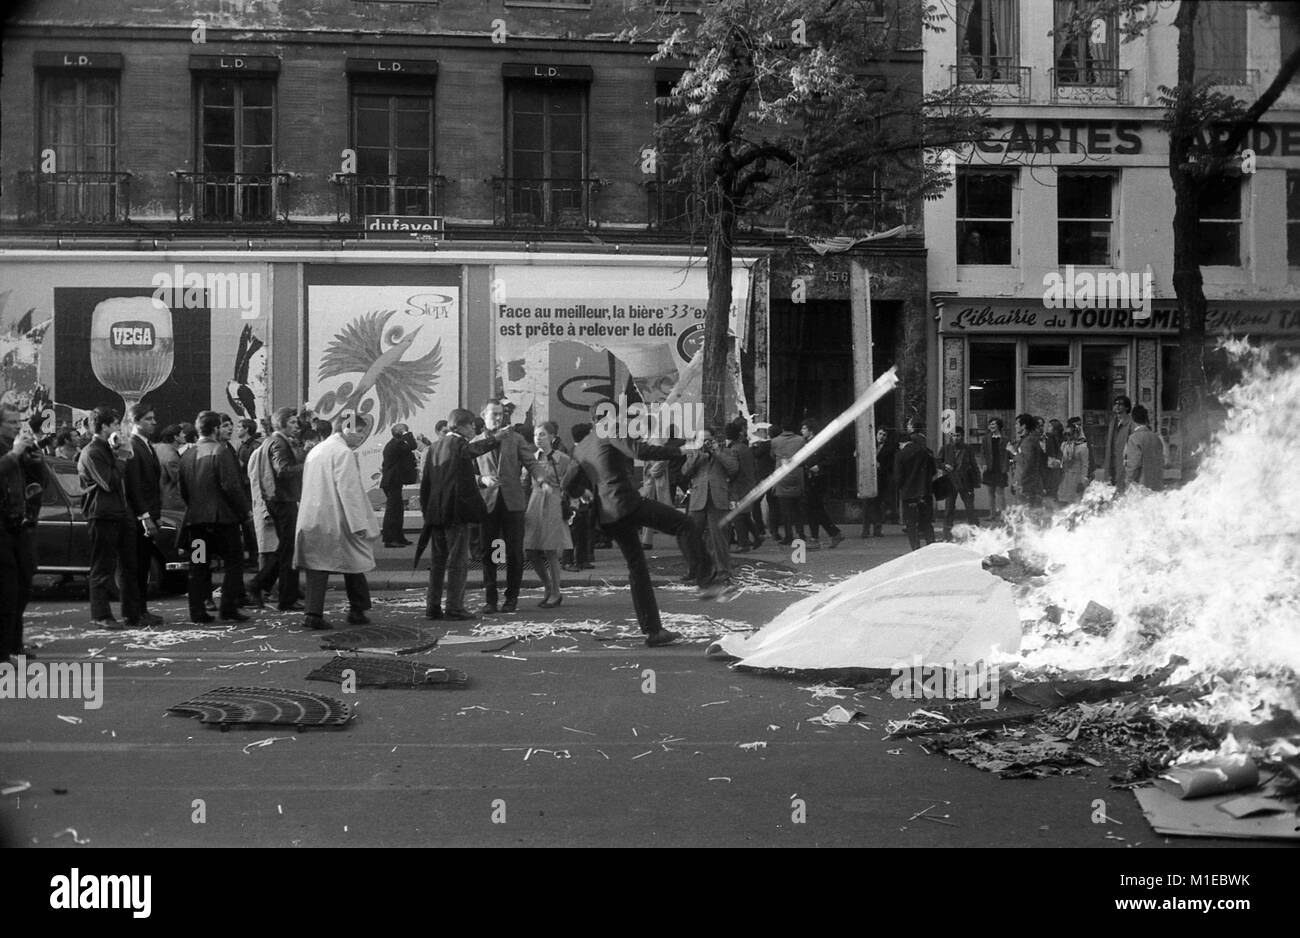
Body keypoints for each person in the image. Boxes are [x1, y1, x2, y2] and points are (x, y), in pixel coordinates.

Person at [561, 398, 714, 646]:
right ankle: (706, 581)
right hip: (626, 504)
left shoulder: (581, 446)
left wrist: (585, 493)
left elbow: (568, 483)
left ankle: (654, 631)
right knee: (684, 524)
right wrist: (683, 450)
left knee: (637, 569)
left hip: (608, 516)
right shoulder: (610, 428)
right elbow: (639, 451)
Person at [295, 413, 381, 630]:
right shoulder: (343, 453)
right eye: (359, 431)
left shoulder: (317, 450)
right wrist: (359, 524)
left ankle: (313, 612)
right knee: (354, 561)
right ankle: (358, 609)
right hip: (337, 518)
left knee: (317, 566)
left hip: (313, 516)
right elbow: (349, 490)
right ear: (348, 429)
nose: (361, 437)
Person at [420, 408, 501, 621]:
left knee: (437, 562)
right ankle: (455, 607)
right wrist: (496, 439)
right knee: (457, 561)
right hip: (455, 513)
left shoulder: (434, 447)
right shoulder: (458, 445)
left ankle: (433, 606)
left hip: (435, 512)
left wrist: (426, 511)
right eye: (472, 426)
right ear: (462, 426)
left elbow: (426, 484)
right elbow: (472, 450)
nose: (474, 429)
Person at [178, 411, 251, 624]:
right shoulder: (221, 451)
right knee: (234, 562)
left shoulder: (187, 455)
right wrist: (244, 512)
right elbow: (231, 486)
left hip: (196, 522)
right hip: (222, 521)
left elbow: (182, 488)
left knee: (198, 564)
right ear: (216, 428)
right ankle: (228, 607)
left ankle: (197, 611)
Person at [78, 406, 141, 629]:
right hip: (102, 514)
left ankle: (133, 613)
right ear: (104, 426)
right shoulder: (93, 452)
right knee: (102, 567)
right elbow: (110, 482)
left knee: (128, 565)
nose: (118, 428)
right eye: (114, 424)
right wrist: (122, 456)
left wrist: (120, 450)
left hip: (118, 512)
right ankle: (101, 614)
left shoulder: (107, 449)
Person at [473, 399, 537, 614]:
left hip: (513, 501)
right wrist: (482, 480)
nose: (498, 418)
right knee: (488, 552)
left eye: (501, 414)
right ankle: (491, 599)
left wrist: (543, 479)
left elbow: (532, 462)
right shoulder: (475, 442)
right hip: (488, 502)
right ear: (483, 415)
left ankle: (512, 598)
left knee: (514, 552)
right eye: (494, 414)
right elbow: (465, 473)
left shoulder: (516, 439)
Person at [0, 404, 46, 662]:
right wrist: (15, 454)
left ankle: (14, 645)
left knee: (22, 587)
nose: (18, 427)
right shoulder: (8, 452)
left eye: (19, 422)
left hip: (20, 526)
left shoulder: (17, 451)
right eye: (11, 422)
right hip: (2, 527)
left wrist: (35, 463)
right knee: (6, 591)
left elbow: (40, 483)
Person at [249, 407, 304, 611]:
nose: (296, 426)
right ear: (281, 424)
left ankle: (261, 584)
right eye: (292, 422)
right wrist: (306, 464)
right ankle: (284, 596)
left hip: (277, 499)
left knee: (285, 548)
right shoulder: (279, 443)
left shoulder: (271, 442)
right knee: (289, 549)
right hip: (283, 499)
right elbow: (283, 470)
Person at [123, 402, 165, 627]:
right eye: (148, 419)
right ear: (135, 421)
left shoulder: (146, 445)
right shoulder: (133, 446)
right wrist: (145, 516)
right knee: (137, 565)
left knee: (143, 564)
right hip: (141, 517)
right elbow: (135, 486)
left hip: (149, 513)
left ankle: (141, 609)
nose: (153, 422)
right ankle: (135, 612)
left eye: (153, 418)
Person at [681, 426, 739, 584]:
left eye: (708, 439)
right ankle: (694, 570)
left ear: (714, 439)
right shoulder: (695, 453)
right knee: (691, 536)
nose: (705, 442)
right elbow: (685, 472)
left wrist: (717, 452)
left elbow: (733, 469)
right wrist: (699, 455)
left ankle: (723, 572)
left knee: (719, 538)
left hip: (718, 498)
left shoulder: (725, 451)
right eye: (702, 439)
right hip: (698, 498)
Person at [524, 421, 573, 608]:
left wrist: (571, 504)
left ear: (552, 437)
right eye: (536, 435)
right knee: (530, 549)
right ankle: (547, 586)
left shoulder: (563, 459)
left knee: (551, 549)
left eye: (543, 434)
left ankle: (556, 592)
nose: (538, 438)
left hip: (554, 503)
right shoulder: (530, 458)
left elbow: (571, 483)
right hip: (534, 503)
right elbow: (525, 483)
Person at [245, 424, 279, 605]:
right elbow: (257, 484)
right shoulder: (259, 454)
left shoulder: (262, 452)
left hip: (268, 509)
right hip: (266, 509)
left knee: (272, 550)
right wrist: (266, 511)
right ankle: (261, 589)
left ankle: (264, 588)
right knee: (267, 551)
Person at [800, 418, 843, 549]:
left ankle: (818, 538)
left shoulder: (820, 443)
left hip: (818, 480)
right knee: (814, 509)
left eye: (804, 428)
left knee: (814, 508)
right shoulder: (806, 443)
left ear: (811, 430)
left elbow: (832, 459)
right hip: (809, 479)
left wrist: (819, 466)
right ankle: (831, 533)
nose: (802, 431)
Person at [895, 418, 936, 551]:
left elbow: (898, 477)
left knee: (911, 524)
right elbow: (933, 470)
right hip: (925, 492)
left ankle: (916, 549)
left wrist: (899, 489)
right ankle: (931, 548)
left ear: (901, 443)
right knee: (927, 522)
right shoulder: (925, 451)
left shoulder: (900, 455)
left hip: (909, 494)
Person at [562, 423, 596, 572]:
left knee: (582, 529)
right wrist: (582, 491)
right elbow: (568, 480)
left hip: (581, 498)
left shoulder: (580, 451)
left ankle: (582, 560)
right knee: (572, 531)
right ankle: (567, 561)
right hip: (574, 499)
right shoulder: (576, 454)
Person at [937, 425, 981, 539]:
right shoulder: (946, 448)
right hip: (950, 481)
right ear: (951, 436)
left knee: (970, 508)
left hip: (965, 481)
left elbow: (974, 464)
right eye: (954, 435)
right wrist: (944, 465)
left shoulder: (967, 448)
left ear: (962, 436)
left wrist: (977, 481)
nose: (956, 438)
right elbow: (937, 461)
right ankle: (947, 535)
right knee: (949, 509)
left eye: (958, 436)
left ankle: (975, 533)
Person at [724, 421, 761, 551]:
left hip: (737, 486)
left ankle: (743, 543)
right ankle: (756, 536)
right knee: (744, 513)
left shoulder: (733, 450)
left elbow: (733, 470)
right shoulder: (745, 448)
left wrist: (727, 480)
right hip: (749, 483)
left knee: (737, 514)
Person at [380, 423, 419, 547]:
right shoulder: (395, 445)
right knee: (393, 512)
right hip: (392, 482)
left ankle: (398, 537)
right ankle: (390, 539)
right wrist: (407, 433)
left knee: (397, 511)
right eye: (405, 431)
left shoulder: (396, 444)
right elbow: (413, 445)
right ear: (401, 433)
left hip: (393, 482)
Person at [770, 418, 807, 546]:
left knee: (785, 510)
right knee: (797, 508)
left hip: (782, 477)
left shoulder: (775, 441)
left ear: (782, 428)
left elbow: (773, 456)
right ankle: (800, 534)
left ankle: (789, 535)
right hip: (797, 476)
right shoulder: (801, 440)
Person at [862, 428, 895, 538]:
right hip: (868, 478)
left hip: (881, 479)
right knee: (867, 504)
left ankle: (877, 529)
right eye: (880, 434)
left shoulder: (889, 449)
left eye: (884, 435)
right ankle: (865, 530)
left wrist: (881, 466)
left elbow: (891, 465)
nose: (881, 436)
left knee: (878, 505)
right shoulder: (870, 446)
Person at [1124, 404, 1165, 491]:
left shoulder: (1134, 438)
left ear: (1133, 420)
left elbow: (1134, 464)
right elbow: (1162, 460)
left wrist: (1128, 482)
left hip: (1141, 488)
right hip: (1157, 486)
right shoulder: (1156, 438)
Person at [1011, 413, 1047, 508]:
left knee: (1026, 513)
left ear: (1023, 426)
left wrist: (1014, 452)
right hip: (1028, 483)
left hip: (1026, 484)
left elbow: (1027, 464)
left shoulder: (1027, 442)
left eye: (1017, 424)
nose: (1015, 426)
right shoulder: (1028, 440)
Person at [748, 421, 774, 540]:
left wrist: (753, 446)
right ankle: (771, 529)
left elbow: (754, 454)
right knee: (772, 502)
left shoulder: (765, 445)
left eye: (757, 431)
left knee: (756, 502)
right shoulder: (769, 444)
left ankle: (761, 529)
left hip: (763, 477)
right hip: (768, 475)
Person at [980, 417, 1010, 521]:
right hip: (989, 468)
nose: (991, 426)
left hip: (1000, 468)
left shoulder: (1005, 439)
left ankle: (1003, 515)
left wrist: (1007, 466)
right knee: (990, 492)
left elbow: (1008, 453)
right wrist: (983, 463)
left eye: (994, 424)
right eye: (990, 424)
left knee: (1000, 492)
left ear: (999, 426)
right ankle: (992, 514)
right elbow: (982, 452)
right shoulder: (986, 438)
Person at [1103, 395, 1133, 494]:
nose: (1117, 406)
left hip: (1123, 463)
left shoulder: (1131, 424)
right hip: (1112, 462)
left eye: (1120, 404)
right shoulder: (1113, 423)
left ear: (1127, 407)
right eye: (1115, 404)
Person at [1059, 416, 1092, 503]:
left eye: (1069, 434)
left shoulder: (1082, 446)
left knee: (1075, 501)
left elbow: (1085, 465)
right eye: (1065, 434)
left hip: (1077, 477)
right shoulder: (1063, 445)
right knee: (1063, 501)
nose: (1067, 437)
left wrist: (1082, 481)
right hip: (1065, 477)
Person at [154, 424, 184, 510]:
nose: (184, 435)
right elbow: (178, 478)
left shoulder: (157, 447)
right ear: (175, 437)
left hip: (159, 497)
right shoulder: (172, 457)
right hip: (172, 501)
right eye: (182, 433)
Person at [1042, 418, 1066, 507]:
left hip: (1054, 467)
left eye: (1050, 426)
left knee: (1052, 490)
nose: (1047, 428)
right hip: (1056, 467)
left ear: (1055, 428)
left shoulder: (1051, 438)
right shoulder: (1052, 438)